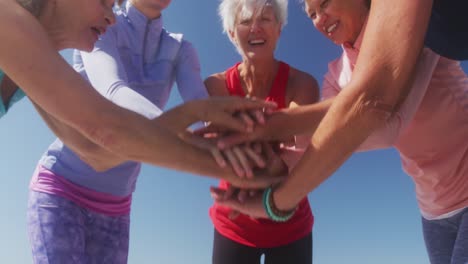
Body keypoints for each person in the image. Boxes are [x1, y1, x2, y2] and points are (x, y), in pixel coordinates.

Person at [214, 0, 468, 263]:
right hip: (433, 210)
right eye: (312, 15)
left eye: (324, 4)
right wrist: (260, 171)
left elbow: (382, 125)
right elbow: (316, 144)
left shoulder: (405, 20)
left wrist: (283, 121)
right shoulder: (336, 77)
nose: (319, 19)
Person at [0, 0, 278, 188]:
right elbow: (105, 125)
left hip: (116, 200)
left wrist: (197, 117)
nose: (110, 17)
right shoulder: (7, 16)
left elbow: (94, 153)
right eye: (103, 1)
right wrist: (241, 170)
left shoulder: (34, 63)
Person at [206, 0, 319, 263]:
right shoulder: (216, 86)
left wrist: (243, 139)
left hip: (292, 222)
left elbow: (303, 156)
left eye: (265, 20)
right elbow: (219, 154)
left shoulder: (302, 84)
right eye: (245, 21)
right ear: (233, 33)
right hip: (233, 223)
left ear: (279, 29)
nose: (255, 28)